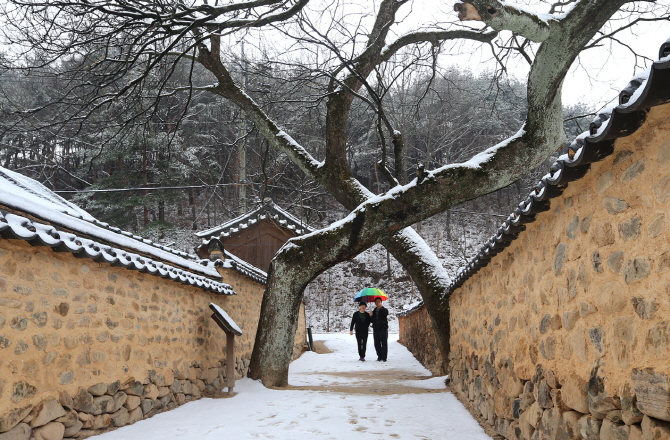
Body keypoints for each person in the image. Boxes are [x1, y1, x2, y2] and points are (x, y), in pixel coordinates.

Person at [370, 297, 388, 361]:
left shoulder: (384, 309)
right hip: (376, 329)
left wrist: (381, 307)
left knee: (384, 343)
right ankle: (379, 356)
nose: (378, 303)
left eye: (379, 301)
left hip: (383, 329)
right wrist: (371, 316)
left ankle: (384, 357)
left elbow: (385, 314)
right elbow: (372, 321)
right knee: (377, 343)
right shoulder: (374, 311)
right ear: (375, 303)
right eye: (376, 302)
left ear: (381, 302)